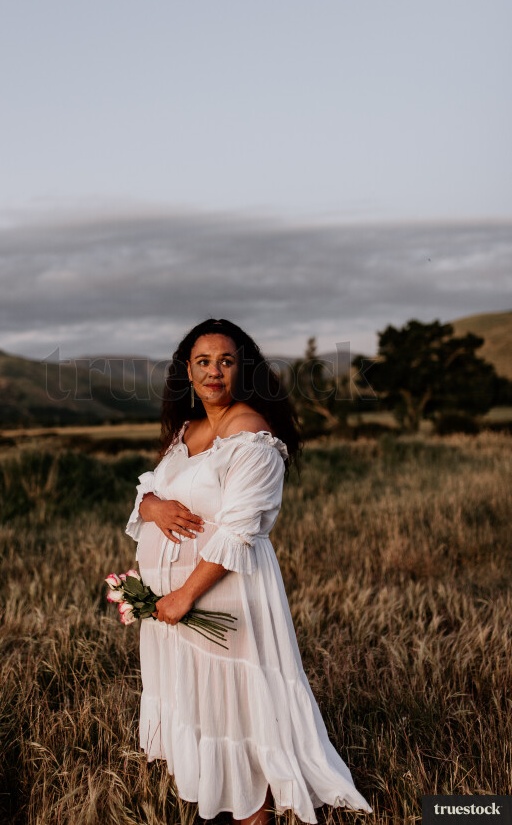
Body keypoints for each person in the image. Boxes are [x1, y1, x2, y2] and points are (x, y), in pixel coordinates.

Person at [125, 318, 373, 825]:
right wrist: (151, 506)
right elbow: (150, 488)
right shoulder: (185, 430)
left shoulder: (251, 430)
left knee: (234, 702)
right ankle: (216, 794)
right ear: (187, 372)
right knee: (197, 701)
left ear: (244, 368)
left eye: (226, 360)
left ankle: (252, 811)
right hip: (173, 602)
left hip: (218, 592)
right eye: (203, 361)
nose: (214, 371)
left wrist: (183, 597)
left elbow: (240, 530)